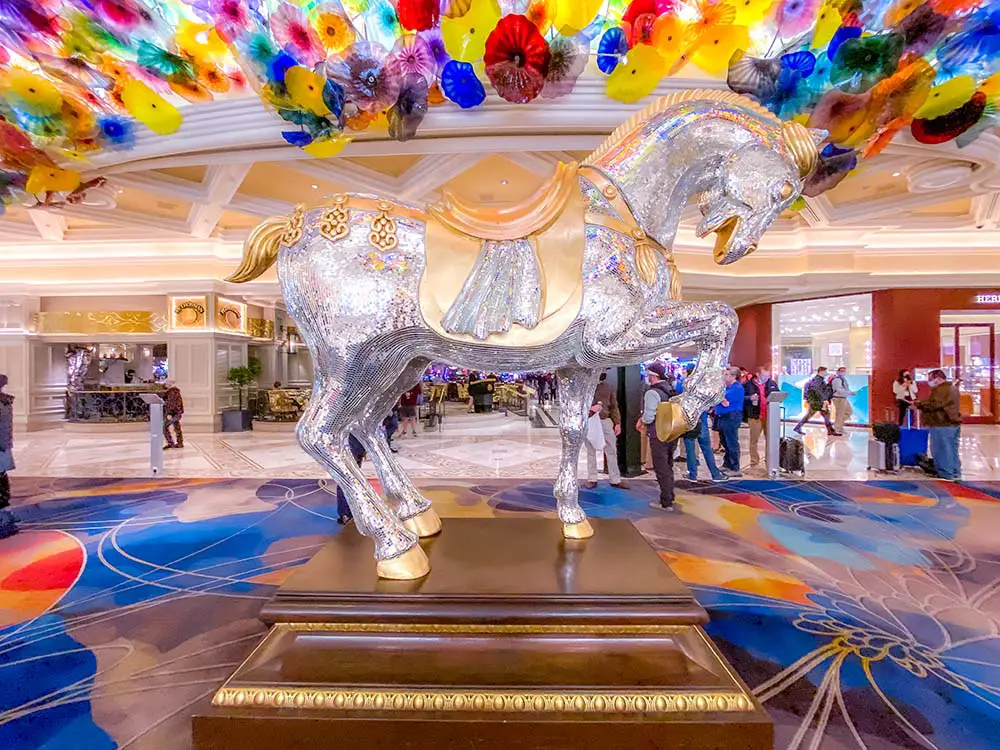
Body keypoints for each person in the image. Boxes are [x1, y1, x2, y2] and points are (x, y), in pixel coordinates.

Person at [637, 363, 678, 511]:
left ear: (653, 375)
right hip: (672, 432)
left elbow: (649, 417)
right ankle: (670, 495)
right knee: (668, 465)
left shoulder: (652, 393)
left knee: (661, 468)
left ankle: (666, 502)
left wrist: (641, 420)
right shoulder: (670, 388)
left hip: (658, 433)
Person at [585, 372, 629, 490]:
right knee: (590, 450)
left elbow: (614, 406)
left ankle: (615, 479)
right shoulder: (585, 386)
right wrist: (590, 409)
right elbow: (577, 404)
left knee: (611, 450)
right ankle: (592, 478)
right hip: (590, 421)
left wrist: (617, 423)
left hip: (605, 420)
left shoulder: (608, 387)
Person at [916, 369, 962, 480]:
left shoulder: (942, 389)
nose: (929, 382)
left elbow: (935, 404)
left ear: (938, 379)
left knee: (942, 450)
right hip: (953, 424)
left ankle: (946, 474)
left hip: (942, 423)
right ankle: (955, 473)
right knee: (952, 450)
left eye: (930, 379)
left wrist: (919, 404)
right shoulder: (952, 388)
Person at [715, 366, 745, 476]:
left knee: (731, 442)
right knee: (725, 442)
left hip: (731, 417)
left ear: (733, 376)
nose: (724, 376)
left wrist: (721, 400)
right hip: (723, 416)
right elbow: (719, 399)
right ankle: (727, 464)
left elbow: (721, 398)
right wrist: (721, 400)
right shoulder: (727, 387)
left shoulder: (737, 388)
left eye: (726, 374)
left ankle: (735, 467)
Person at [682, 409, 728, 482]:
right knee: (707, 450)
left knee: (690, 451)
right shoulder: (702, 397)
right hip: (702, 422)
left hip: (689, 423)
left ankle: (692, 475)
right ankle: (716, 474)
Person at [793, 367, 839, 436]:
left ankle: (798, 427)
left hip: (817, 401)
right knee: (825, 415)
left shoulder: (819, 379)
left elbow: (822, 389)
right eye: (825, 371)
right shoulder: (818, 380)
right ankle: (830, 430)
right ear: (821, 372)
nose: (826, 373)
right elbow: (818, 391)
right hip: (818, 402)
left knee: (821, 415)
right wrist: (824, 400)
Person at [0, 374, 17, 538]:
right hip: (3, 447)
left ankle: (4, 515)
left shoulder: (3, 403)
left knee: (1, 480)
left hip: (1, 447)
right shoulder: (5, 402)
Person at [335, 434, 366, 525]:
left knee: (351, 483)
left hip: (354, 450)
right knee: (346, 482)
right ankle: (345, 514)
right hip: (348, 450)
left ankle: (346, 512)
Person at [743, 369, 764, 468]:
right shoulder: (748, 385)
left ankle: (770, 460)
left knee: (771, 439)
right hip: (755, 415)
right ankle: (754, 461)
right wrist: (749, 398)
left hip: (769, 416)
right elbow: (742, 397)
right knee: (754, 440)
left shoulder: (771, 383)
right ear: (758, 374)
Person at [830, 366, 856, 434]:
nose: (843, 372)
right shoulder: (837, 379)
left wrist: (849, 392)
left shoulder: (843, 379)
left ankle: (838, 425)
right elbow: (838, 390)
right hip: (838, 398)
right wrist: (849, 393)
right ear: (838, 371)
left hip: (843, 398)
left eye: (844, 371)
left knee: (849, 412)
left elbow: (845, 388)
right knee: (840, 414)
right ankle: (837, 429)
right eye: (841, 371)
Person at [163, 379, 184, 449]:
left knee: (164, 427)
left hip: (173, 413)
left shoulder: (172, 392)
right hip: (177, 412)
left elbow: (171, 404)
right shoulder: (175, 392)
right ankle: (179, 443)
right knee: (177, 426)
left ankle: (171, 443)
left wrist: (169, 413)